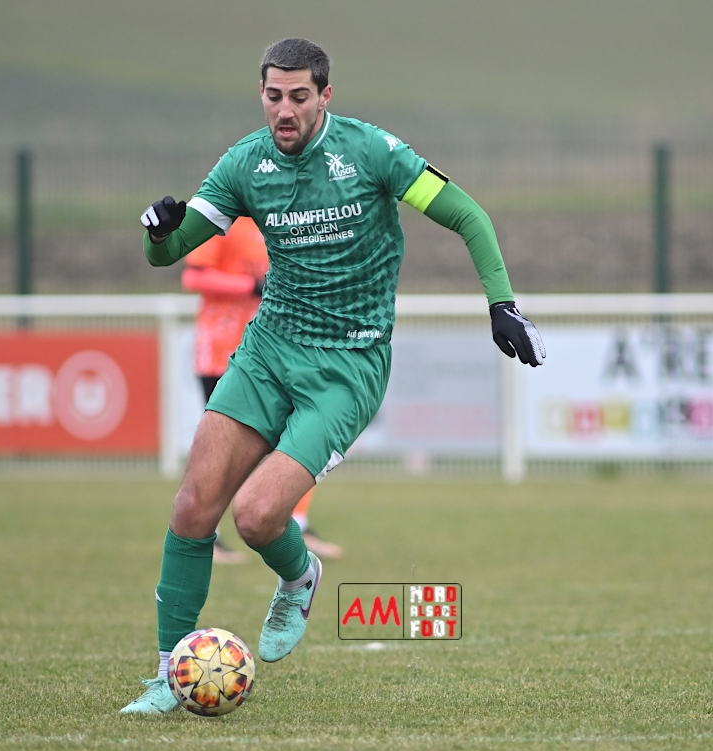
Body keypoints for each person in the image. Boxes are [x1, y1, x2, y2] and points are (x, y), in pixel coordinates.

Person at [122, 38, 544, 714]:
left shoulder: (372, 152)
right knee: (194, 505)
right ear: (261, 95)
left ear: (324, 96)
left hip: (348, 364)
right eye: (273, 96)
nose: (284, 110)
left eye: (298, 96)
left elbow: (469, 215)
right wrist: (157, 231)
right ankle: (169, 675)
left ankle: (299, 577)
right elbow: (170, 252)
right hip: (267, 351)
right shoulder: (244, 164)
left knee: (257, 517)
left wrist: (502, 304)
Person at [182, 216, 343, 563]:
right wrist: (250, 286)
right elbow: (194, 276)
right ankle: (205, 535)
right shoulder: (225, 220)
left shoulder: (286, 219)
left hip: (273, 352)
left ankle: (297, 524)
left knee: (300, 438)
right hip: (222, 354)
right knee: (221, 451)